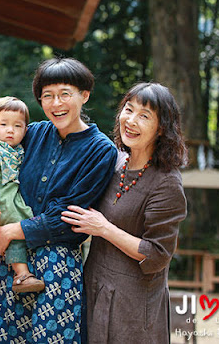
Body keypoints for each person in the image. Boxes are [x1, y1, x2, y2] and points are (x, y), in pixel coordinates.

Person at [0, 58, 117, 343]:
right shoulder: (32, 133)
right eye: (47, 96)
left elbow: (70, 215)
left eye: (65, 93)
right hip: (12, 263)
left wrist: (9, 231)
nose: (56, 103)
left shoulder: (101, 150)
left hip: (58, 267)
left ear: (84, 95)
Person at [61, 82, 188, 343]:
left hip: (134, 303)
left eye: (144, 116)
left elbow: (157, 254)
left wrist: (104, 228)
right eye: (128, 110)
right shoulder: (114, 160)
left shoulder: (167, 182)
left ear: (162, 128)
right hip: (94, 286)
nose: (131, 120)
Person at [0, 96, 44, 293]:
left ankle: (20, 272)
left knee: (19, 229)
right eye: (3, 124)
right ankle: (22, 274)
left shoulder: (16, 150)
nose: (10, 130)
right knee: (20, 224)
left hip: (8, 199)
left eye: (18, 126)